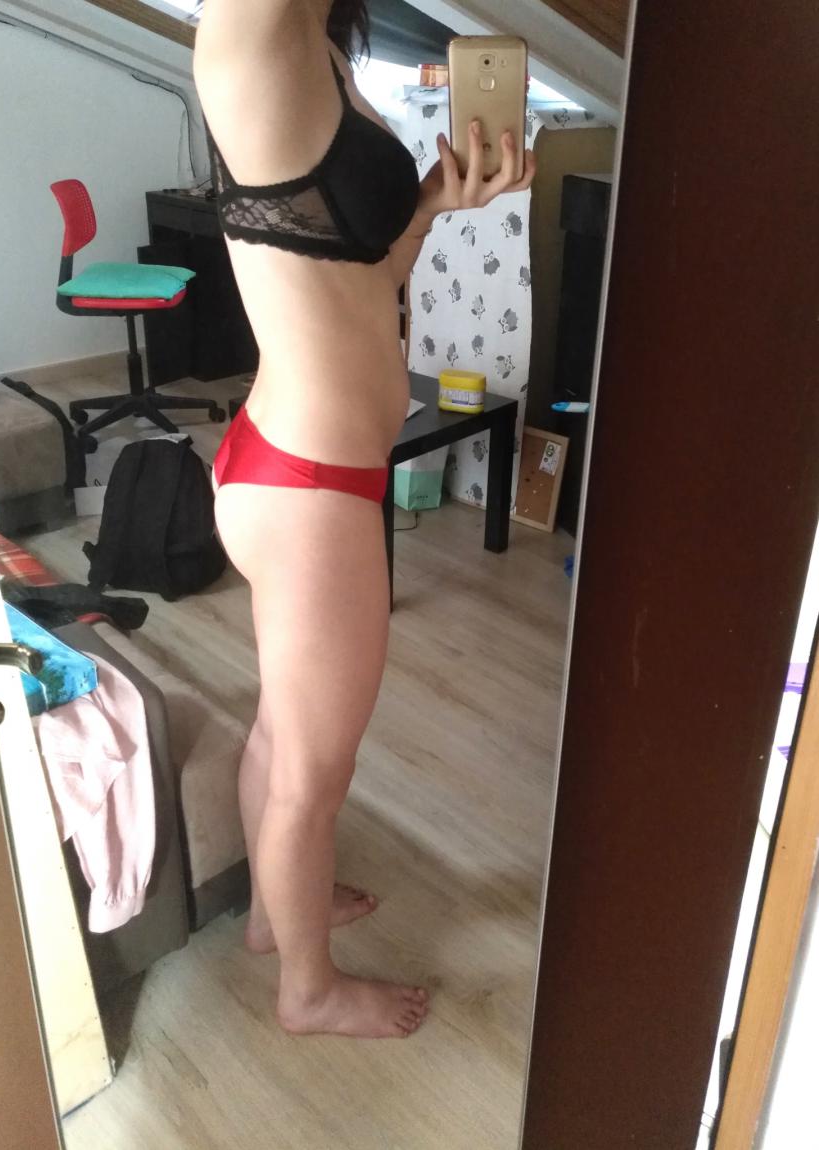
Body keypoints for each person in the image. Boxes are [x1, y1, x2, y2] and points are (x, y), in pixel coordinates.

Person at [194, 0, 536, 1039]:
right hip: (310, 486)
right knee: (314, 771)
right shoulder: (250, 34)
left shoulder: (323, 54)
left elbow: (358, 273)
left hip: (293, 463)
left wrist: (427, 206)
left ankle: (274, 917)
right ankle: (308, 990)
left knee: (285, 732)